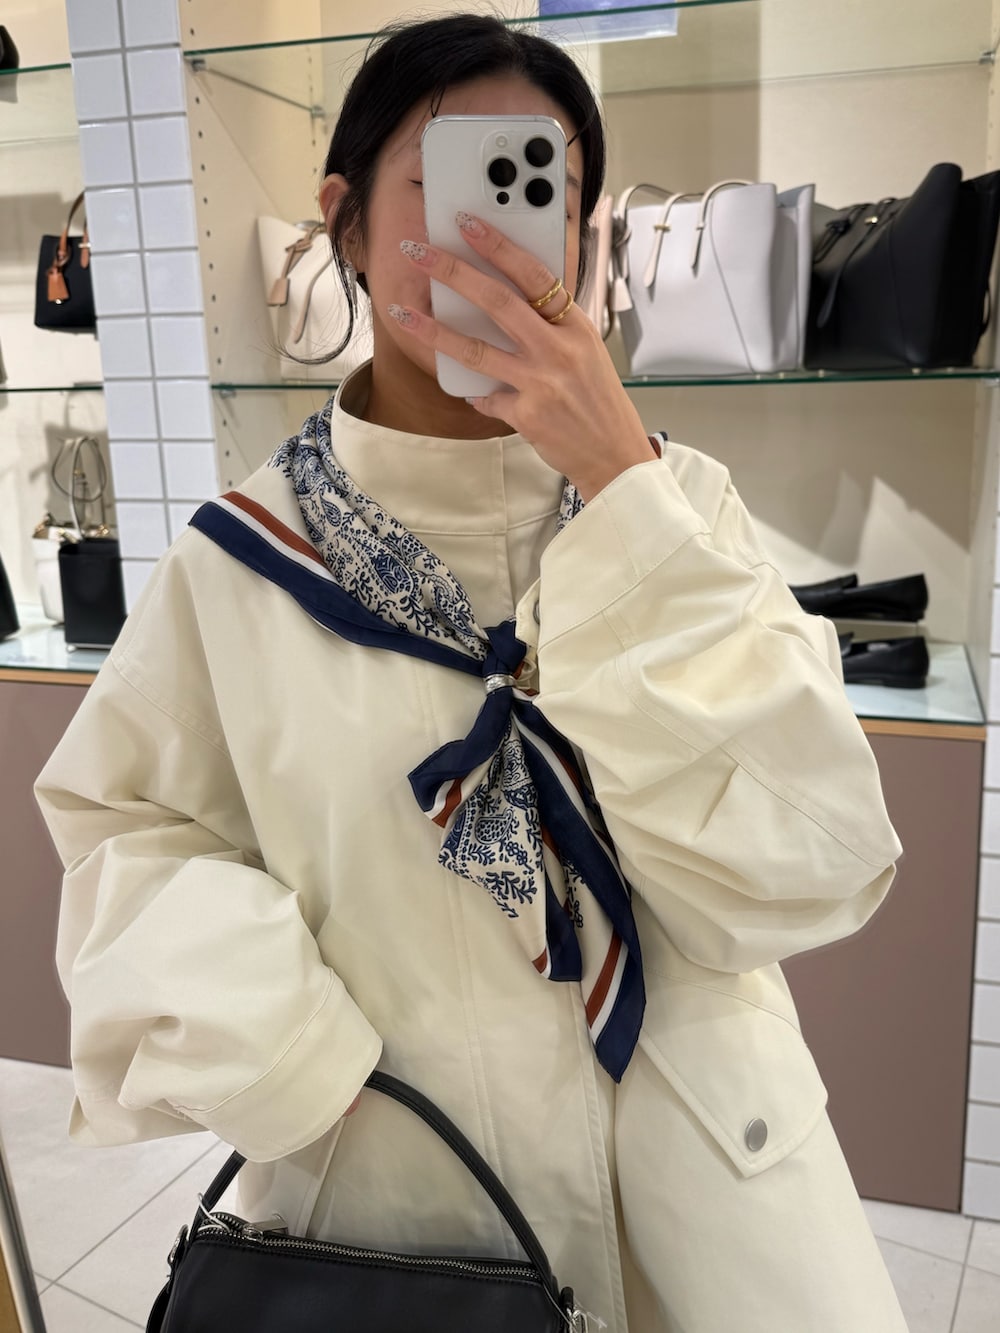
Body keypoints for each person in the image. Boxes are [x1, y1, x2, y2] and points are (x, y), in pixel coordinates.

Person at [35, 13, 910, 1331]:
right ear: (342, 221)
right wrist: (291, 1056)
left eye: (541, 192)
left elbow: (810, 864)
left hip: (714, 1207)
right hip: (395, 1213)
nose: (500, 239)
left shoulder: (681, 508)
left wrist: (621, 485)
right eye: (453, 184)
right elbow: (129, 839)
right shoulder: (239, 561)